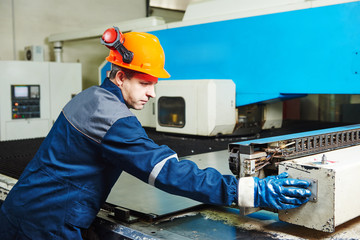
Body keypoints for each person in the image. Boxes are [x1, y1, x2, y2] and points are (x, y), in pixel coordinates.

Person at [0, 27, 311, 239]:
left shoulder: (89, 97)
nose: (151, 94)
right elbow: (170, 174)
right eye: (145, 83)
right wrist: (253, 191)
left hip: (20, 209)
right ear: (120, 76)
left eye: (154, 85)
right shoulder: (115, 120)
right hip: (48, 225)